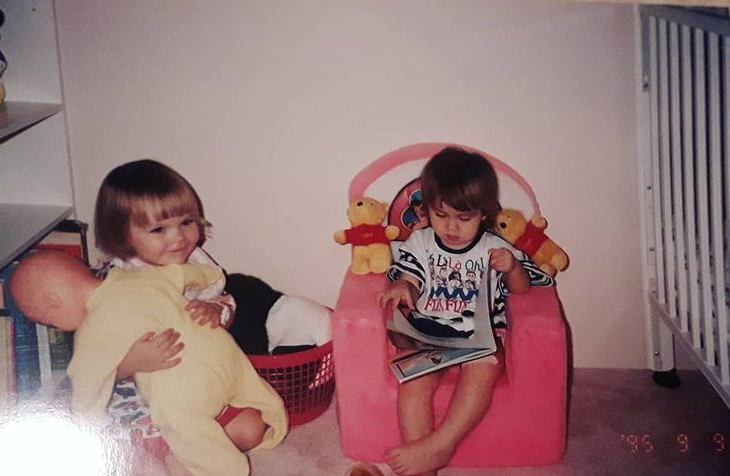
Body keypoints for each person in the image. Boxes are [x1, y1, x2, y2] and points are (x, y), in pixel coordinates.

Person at [9, 250, 288, 476]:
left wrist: (85, 428)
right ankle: (264, 416)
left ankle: (222, 469)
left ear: (53, 301)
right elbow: (187, 273)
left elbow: (85, 392)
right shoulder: (138, 277)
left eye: (48, 322)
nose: (55, 327)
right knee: (250, 424)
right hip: (227, 361)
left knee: (176, 419)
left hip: (184, 395)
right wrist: (210, 276)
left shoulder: (90, 335)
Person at [377, 147, 552, 476]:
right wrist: (404, 287)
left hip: (477, 337)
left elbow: (523, 288)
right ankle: (423, 469)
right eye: (441, 216)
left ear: (483, 214)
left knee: (485, 368)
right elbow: (410, 278)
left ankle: (441, 444)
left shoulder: (494, 248)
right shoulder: (421, 242)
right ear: (428, 209)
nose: (451, 227)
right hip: (427, 332)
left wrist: (513, 267)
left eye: (463, 218)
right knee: (413, 385)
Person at [93, 159, 243, 458]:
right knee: (134, 446)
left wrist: (217, 311)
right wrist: (130, 362)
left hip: (197, 381)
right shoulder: (119, 283)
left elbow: (225, 299)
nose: (178, 238)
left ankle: (191, 448)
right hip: (139, 394)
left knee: (251, 426)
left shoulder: (195, 262)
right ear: (122, 235)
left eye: (186, 223)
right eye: (159, 229)